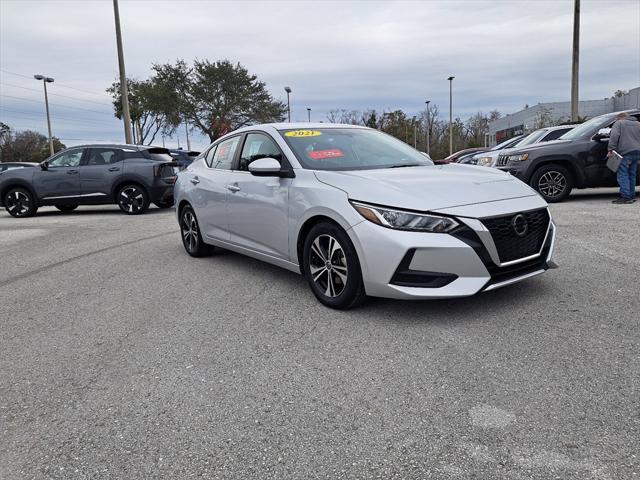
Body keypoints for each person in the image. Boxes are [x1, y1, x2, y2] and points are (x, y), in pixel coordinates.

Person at [608, 112, 640, 204]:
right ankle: (631, 195)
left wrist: (611, 149)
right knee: (632, 174)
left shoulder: (619, 123)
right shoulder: (638, 124)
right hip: (637, 151)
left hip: (625, 152)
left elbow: (614, 136)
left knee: (623, 174)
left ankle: (625, 196)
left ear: (619, 118)